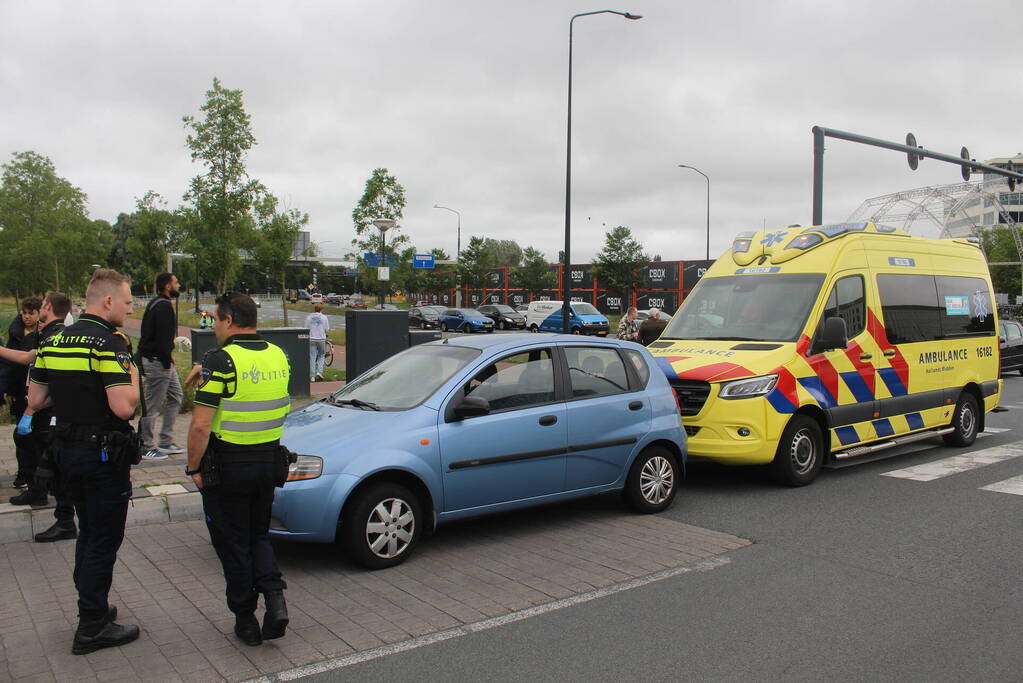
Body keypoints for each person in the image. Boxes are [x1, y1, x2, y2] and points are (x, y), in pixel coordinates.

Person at [28, 269, 141, 654]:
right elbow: (123, 407)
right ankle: (92, 626)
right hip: (102, 457)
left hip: (66, 453)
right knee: (102, 539)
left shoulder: (54, 339)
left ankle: (93, 607)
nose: (129, 309)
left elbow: (37, 400)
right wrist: (134, 373)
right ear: (108, 301)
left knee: (88, 532)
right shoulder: (109, 343)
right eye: (127, 302)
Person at [185, 292, 290, 647]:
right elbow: (253, 387)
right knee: (258, 535)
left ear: (229, 320)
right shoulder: (279, 355)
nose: (213, 326)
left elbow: (200, 426)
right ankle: (275, 600)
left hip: (228, 468)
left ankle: (245, 619)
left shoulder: (221, 360)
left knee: (233, 544)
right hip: (267, 463)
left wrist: (193, 469)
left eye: (215, 319)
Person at [2, 293, 78, 537]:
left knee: (54, 465)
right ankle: (40, 494)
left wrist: (32, 408)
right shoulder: (48, 335)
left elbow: (58, 385)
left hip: (50, 413)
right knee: (43, 457)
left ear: (47, 308)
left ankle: (65, 520)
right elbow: (27, 359)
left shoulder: (56, 337)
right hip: (45, 411)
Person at [137, 272, 183, 460]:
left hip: (161, 359)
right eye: (176, 282)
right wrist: (166, 360)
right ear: (167, 286)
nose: (179, 285)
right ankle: (145, 445)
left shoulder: (156, 303)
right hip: (158, 362)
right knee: (152, 405)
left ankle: (166, 440)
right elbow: (163, 337)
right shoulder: (163, 307)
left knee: (176, 396)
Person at [4, 297, 41, 489]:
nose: (26, 317)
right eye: (24, 313)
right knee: (20, 433)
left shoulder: (43, 333)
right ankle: (24, 472)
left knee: (38, 435)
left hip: (37, 390)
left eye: (31, 313)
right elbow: (8, 363)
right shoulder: (15, 332)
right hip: (19, 388)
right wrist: (9, 389)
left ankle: (39, 474)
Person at [305, 303, 330, 381]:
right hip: (321, 339)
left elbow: (306, 328)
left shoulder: (309, 318)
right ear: (321, 310)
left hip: (311, 339)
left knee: (312, 357)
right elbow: (327, 329)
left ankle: (312, 376)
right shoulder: (324, 318)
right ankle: (319, 372)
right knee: (321, 355)